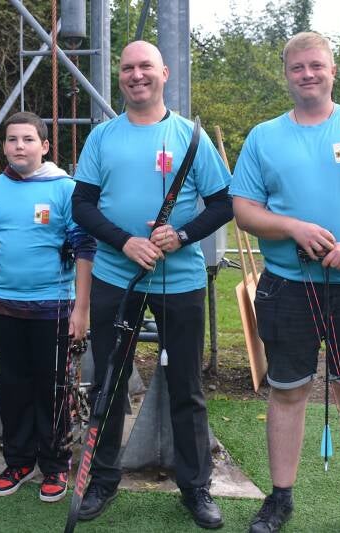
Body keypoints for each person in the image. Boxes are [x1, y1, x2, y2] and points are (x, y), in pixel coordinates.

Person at [231, 32, 340, 533]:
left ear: (333, 70)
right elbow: (244, 210)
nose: (307, 74)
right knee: (287, 391)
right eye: (297, 67)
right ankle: (280, 498)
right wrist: (292, 228)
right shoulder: (263, 136)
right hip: (287, 287)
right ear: (286, 74)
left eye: (316, 65)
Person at [71, 41, 233, 529]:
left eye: (146, 66)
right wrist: (124, 242)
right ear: (119, 76)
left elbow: (224, 203)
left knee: (186, 385)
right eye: (128, 68)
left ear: (164, 73)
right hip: (114, 277)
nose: (136, 75)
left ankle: (195, 486)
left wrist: (181, 236)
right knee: (109, 381)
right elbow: (82, 206)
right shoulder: (102, 137)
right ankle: (102, 480)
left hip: (180, 281)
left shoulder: (189, 136)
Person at [0, 111, 95, 503]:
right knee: (12, 388)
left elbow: (85, 250)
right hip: (5, 309)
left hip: (54, 310)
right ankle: (19, 462)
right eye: (12, 139)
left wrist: (81, 310)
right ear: (3, 146)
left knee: (53, 390)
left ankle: (55, 465)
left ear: (44, 146)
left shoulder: (65, 189)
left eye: (27, 139)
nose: (19, 146)